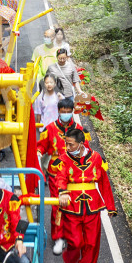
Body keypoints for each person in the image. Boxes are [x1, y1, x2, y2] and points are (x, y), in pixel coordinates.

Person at [57, 128, 116, 263]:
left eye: (71, 144)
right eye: (66, 144)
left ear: (81, 144)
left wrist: (110, 207)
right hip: (72, 207)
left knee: (91, 243)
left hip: (92, 207)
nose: (68, 148)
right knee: (75, 242)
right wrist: (62, 192)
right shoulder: (64, 159)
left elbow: (104, 182)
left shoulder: (96, 158)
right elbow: (60, 177)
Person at [36, 97, 87, 253]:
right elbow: (40, 148)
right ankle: (58, 237)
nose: (65, 114)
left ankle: (72, 236)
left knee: (74, 205)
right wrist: (38, 157)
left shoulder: (80, 129)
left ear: (72, 112)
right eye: (62, 112)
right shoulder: (50, 128)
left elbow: (87, 150)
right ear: (58, 111)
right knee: (58, 206)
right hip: (55, 175)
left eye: (68, 112)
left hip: (75, 176)